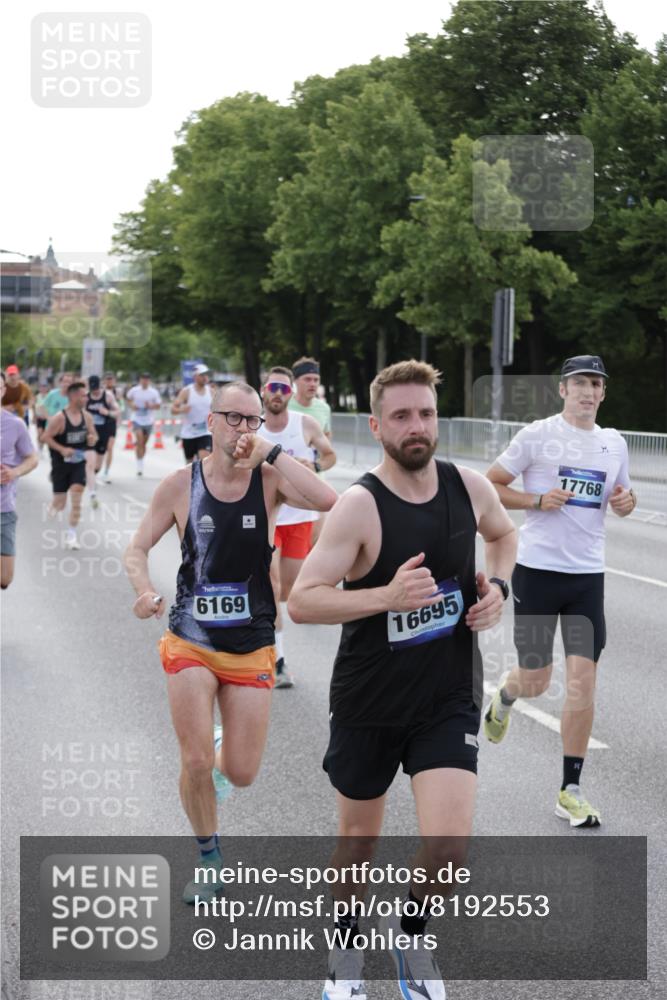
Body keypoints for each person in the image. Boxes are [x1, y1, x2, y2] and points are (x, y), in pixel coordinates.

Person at [288, 361, 517, 1000]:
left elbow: (503, 536)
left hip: (447, 694)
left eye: (425, 414)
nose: (416, 427)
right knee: (358, 844)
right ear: (376, 425)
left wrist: (497, 588)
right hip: (370, 698)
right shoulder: (360, 506)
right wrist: (384, 597)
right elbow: (303, 600)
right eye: (401, 416)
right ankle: (345, 953)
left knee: (448, 848)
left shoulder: (468, 487)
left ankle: (410, 938)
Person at [124, 381, 337, 904]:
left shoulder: (268, 481)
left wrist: (275, 453)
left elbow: (326, 498)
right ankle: (209, 858)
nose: (245, 429)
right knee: (195, 763)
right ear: (212, 422)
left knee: (239, 773)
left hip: (251, 643)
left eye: (253, 421)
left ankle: (221, 749)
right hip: (189, 637)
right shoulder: (179, 484)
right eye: (235, 418)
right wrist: (145, 590)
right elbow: (136, 548)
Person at [483, 355, 635, 828]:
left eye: (596, 384)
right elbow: (491, 486)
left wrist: (627, 503)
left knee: (582, 684)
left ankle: (570, 789)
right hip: (537, 573)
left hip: (587, 578)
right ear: (562, 390)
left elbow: (622, 502)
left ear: (603, 393)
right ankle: (506, 697)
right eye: (579, 384)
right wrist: (536, 500)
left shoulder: (614, 444)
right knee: (537, 679)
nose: (588, 391)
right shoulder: (537, 436)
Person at [258, 366, 337, 687]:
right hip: (266, 518)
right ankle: (278, 661)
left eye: (284, 389)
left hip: (301, 518)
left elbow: (330, 455)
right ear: (264, 390)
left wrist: (314, 464)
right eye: (273, 388)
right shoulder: (254, 427)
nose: (278, 394)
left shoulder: (305, 424)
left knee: (288, 593)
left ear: (290, 394)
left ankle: (268, 637)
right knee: (272, 586)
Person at [42, 382, 98, 549]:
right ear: (73, 397)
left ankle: (71, 536)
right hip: (60, 465)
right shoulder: (59, 418)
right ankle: (54, 505)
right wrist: (62, 449)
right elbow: (45, 437)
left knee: (77, 496)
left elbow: (93, 434)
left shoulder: (86, 416)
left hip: (78, 463)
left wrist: (92, 438)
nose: (86, 398)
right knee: (60, 503)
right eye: (83, 395)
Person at [289, 357, 333, 545]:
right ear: (296, 381)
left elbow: (327, 444)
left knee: (314, 542)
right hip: (286, 480)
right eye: (307, 379)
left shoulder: (323, 408)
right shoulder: (284, 404)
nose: (312, 384)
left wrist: (316, 464)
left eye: (316, 379)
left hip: (315, 478)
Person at [1, 371, 38, 588]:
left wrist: (14, 472)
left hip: (3, 508)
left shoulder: (15, 424)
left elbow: (32, 458)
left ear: (3, 391)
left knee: (5, 579)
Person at [85, 375, 121, 507]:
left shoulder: (108, 396)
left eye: (96, 388)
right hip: (89, 434)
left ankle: (91, 477)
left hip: (104, 432)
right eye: (92, 389)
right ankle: (92, 490)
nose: (95, 391)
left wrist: (107, 412)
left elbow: (117, 411)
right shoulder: (85, 397)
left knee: (97, 466)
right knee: (90, 462)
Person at [171, 364, 213, 463]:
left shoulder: (211, 391)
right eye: (202, 375)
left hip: (205, 432)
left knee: (204, 460)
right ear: (195, 376)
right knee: (189, 464)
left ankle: (201, 478)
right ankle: (192, 477)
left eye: (206, 375)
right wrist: (182, 410)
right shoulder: (186, 391)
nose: (205, 377)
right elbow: (173, 409)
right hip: (189, 434)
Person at [126, 373, 162, 476]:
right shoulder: (134, 390)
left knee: (143, 444)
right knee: (140, 440)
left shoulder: (153, 392)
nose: (144, 381)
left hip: (148, 420)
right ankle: (139, 465)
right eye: (143, 379)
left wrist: (151, 405)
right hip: (137, 419)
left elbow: (158, 405)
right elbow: (128, 399)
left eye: (146, 379)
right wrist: (132, 405)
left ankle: (141, 459)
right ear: (140, 380)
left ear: (149, 381)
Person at [101, 372, 121, 483]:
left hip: (111, 422)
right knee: (100, 449)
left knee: (110, 447)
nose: (109, 381)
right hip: (99, 424)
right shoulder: (100, 392)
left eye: (111, 379)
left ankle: (106, 471)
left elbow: (120, 407)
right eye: (107, 379)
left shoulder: (117, 393)